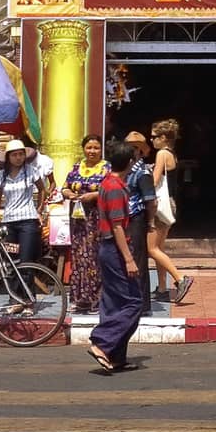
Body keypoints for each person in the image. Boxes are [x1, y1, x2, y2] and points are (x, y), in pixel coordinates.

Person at [87, 144, 142, 374]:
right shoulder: (115, 188)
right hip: (115, 249)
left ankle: (116, 356)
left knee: (112, 302)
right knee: (134, 301)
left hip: (108, 248)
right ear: (129, 162)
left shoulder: (110, 183)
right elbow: (118, 227)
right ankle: (102, 341)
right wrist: (129, 259)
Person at [148, 118, 193, 306]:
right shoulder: (171, 154)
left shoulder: (161, 154)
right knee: (159, 247)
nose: (152, 140)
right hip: (170, 203)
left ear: (164, 138)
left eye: (154, 137)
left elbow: (154, 181)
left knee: (151, 248)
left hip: (160, 205)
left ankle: (180, 278)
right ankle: (161, 288)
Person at [64, 134, 107, 313]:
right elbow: (64, 187)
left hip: (96, 219)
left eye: (96, 148)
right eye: (89, 147)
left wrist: (94, 195)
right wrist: (70, 194)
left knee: (94, 257)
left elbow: (110, 189)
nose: (92, 151)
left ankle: (96, 299)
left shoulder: (106, 169)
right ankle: (80, 299)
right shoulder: (76, 168)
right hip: (78, 219)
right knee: (78, 256)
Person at [0, 140, 45, 264]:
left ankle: (26, 283)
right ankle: (12, 284)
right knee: (11, 260)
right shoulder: (0, 175)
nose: (18, 158)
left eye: (21, 154)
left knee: (26, 259)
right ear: (8, 157)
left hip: (28, 221)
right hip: (8, 223)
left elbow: (42, 189)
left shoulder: (31, 171)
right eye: (14, 155)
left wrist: (39, 210)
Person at [123, 130, 157, 316]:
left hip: (136, 217)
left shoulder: (142, 172)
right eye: (130, 147)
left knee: (138, 260)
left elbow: (150, 200)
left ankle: (142, 304)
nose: (132, 151)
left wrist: (150, 222)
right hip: (121, 218)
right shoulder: (123, 169)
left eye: (136, 148)